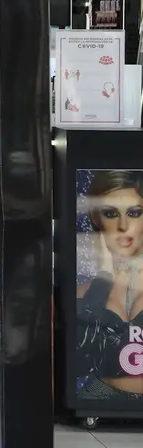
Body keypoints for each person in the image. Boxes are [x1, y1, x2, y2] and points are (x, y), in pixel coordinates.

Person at [76, 170, 143, 400]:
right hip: (99, 397)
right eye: (111, 213)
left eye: (135, 213)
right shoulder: (86, 292)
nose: (123, 225)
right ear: (97, 218)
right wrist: (105, 274)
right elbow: (79, 359)